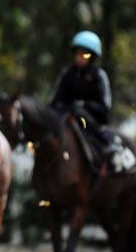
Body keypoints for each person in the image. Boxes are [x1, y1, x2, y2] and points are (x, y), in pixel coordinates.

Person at [50, 30, 118, 162]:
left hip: (92, 118)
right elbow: (56, 100)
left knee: (79, 112)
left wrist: (84, 105)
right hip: (68, 114)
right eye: (77, 53)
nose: (80, 57)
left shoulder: (98, 75)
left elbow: (105, 106)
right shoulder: (68, 74)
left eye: (85, 54)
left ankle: (108, 143)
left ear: (92, 57)